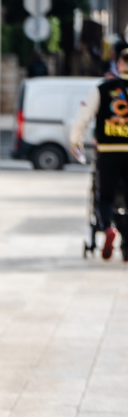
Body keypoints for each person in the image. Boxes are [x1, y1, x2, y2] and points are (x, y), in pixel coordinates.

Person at [71, 47, 128, 261]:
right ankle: (127, 246)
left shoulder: (102, 89)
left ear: (119, 65)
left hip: (108, 151)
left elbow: (83, 115)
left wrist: (75, 140)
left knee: (104, 196)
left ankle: (108, 226)